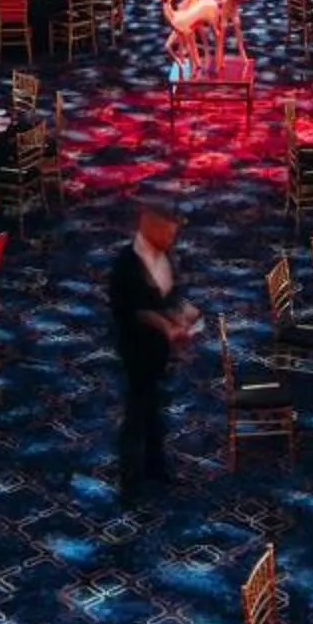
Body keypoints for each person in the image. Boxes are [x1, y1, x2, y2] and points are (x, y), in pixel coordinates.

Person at [106, 201, 198, 493]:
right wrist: (167, 327)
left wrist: (183, 312)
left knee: (154, 411)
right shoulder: (127, 265)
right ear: (150, 226)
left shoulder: (162, 256)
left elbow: (166, 298)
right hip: (136, 353)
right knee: (137, 414)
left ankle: (156, 469)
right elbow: (135, 313)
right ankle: (129, 484)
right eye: (168, 234)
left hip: (158, 352)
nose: (172, 241)